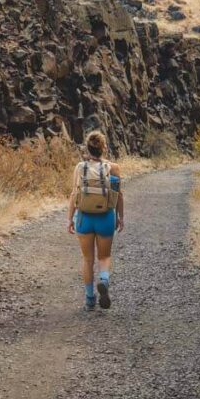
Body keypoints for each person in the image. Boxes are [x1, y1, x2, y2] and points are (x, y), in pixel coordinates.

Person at [67, 130, 124, 311]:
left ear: (87, 148)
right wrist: (120, 217)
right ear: (104, 147)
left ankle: (90, 299)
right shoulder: (113, 168)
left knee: (87, 259)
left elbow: (73, 194)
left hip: (84, 218)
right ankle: (104, 281)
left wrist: (70, 219)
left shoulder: (79, 167)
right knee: (104, 256)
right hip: (105, 217)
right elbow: (118, 195)